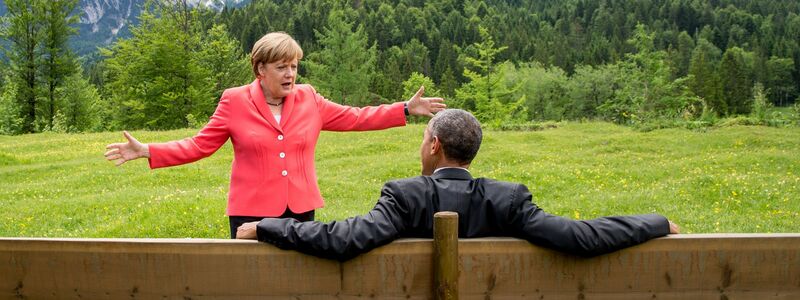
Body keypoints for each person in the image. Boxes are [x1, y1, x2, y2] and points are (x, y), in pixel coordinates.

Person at [104, 32, 446, 238]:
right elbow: (199, 145)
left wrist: (403, 108)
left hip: (300, 209)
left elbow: (355, 117)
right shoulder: (234, 101)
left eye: (294, 66)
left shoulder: (309, 97)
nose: (290, 74)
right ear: (260, 69)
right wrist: (149, 150)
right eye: (282, 67)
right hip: (250, 210)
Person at [236, 109, 680, 261]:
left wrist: (269, 226)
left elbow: (344, 239)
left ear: (433, 145)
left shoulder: (404, 195)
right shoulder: (507, 199)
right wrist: (655, 222)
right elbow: (581, 237)